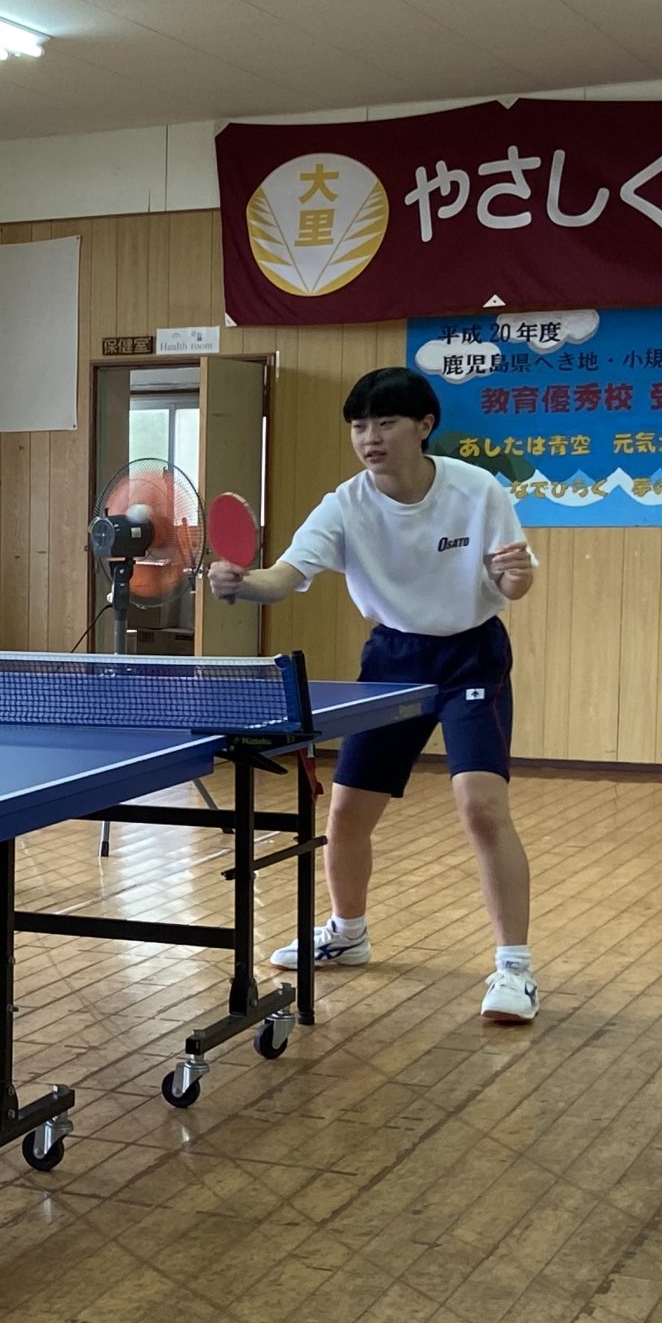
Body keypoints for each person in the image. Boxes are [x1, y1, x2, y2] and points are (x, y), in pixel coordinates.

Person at [208, 366, 541, 1023]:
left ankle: (514, 969)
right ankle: (347, 933)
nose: (370, 437)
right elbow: (284, 577)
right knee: (347, 815)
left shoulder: (476, 490)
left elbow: (513, 585)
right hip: (392, 659)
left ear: (424, 426)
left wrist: (516, 576)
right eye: (359, 425)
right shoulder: (344, 505)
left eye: (385, 422)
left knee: (481, 808)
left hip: (470, 657)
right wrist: (242, 584)